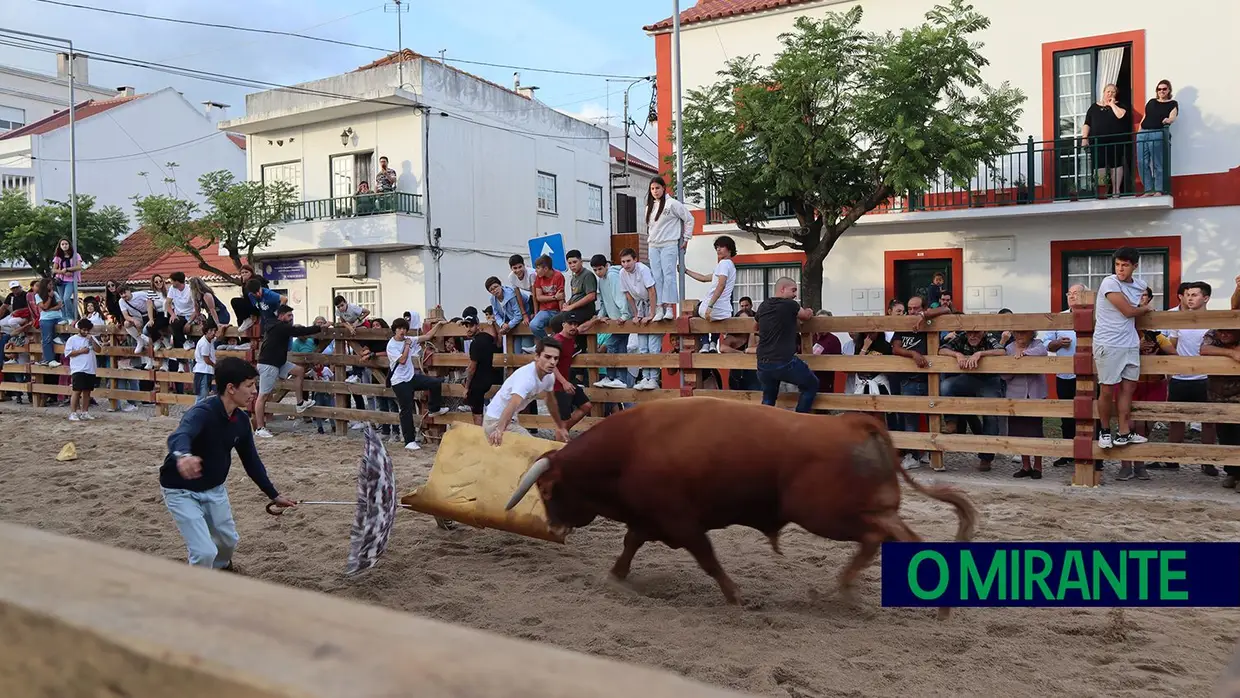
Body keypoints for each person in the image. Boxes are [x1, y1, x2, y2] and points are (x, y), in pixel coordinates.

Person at [160, 357, 298, 570]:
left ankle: (222, 571)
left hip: (214, 489)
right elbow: (179, 436)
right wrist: (184, 455)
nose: (255, 391)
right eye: (250, 385)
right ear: (231, 388)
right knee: (204, 552)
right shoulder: (202, 413)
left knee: (228, 542)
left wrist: (273, 494)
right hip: (180, 490)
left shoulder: (241, 421)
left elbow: (251, 461)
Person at [1093, 247, 1152, 448]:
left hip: (1129, 342)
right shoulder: (1109, 282)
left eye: (1125, 265)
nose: (1120, 269)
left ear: (1135, 266)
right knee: (1107, 388)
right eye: (1117, 264)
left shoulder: (1140, 284)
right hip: (1108, 342)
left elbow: (1133, 307)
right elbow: (1127, 311)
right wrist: (1146, 309)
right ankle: (1104, 431)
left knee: (1128, 388)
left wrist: (1141, 308)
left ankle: (1124, 431)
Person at [482, 338, 569, 446]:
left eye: (556, 358)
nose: (552, 362)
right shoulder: (527, 378)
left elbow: (551, 402)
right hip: (496, 421)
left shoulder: (549, 377)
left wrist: (560, 426)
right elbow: (512, 404)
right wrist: (499, 430)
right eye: (547, 357)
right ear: (537, 356)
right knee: (534, 448)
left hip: (510, 420)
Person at [253, 305, 319, 438]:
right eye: (289, 316)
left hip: (279, 362)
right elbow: (299, 331)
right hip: (268, 364)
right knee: (263, 396)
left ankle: (300, 403)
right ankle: (260, 428)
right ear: (281, 315)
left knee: (299, 371)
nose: (291, 318)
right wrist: (319, 327)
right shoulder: (280, 326)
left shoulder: (275, 325)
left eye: (292, 316)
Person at [386, 316, 450, 451]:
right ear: (394, 330)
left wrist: (438, 324)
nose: (402, 331)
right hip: (399, 381)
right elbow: (402, 360)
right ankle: (409, 441)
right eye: (399, 329)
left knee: (435, 383)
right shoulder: (392, 345)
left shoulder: (409, 339)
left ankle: (434, 409)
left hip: (410, 377)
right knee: (406, 409)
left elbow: (427, 336)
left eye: (404, 328)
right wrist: (408, 345)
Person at [755, 277, 817, 413]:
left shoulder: (763, 305)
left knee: (768, 399)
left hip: (762, 363)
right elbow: (805, 316)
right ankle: (800, 419)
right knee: (811, 384)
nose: (795, 294)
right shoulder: (790, 305)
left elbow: (756, 325)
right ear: (782, 289)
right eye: (793, 290)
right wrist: (810, 311)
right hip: (783, 362)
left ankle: (762, 427)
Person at [644, 175, 694, 321]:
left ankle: (669, 308)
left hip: (669, 244)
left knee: (669, 275)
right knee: (656, 277)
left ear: (663, 188)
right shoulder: (650, 207)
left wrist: (686, 238)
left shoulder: (672, 204)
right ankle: (659, 307)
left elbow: (689, 218)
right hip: (653, 245)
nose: (655, 191)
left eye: (657, 188)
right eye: (652, 189)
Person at [1004, 330, 1049, 479]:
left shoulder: (1037, 344)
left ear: (1031, 334)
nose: (1020, 336)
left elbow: (1043, 351)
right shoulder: (1009, 348)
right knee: (1019, 431)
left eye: (1024, 333)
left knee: (1035, 431)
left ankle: (1038, 466)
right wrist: (1015, 366)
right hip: (1015, 395)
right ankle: (1025, 465)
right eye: (1017, 333)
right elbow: (1005, 375)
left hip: (1035, 394)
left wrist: (1024, 355)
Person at [1201, 327, 1240, 490]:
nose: (1223, 334)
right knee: (1225, 434)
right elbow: (1204, 349)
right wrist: (1230, 353)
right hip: (1217, 396)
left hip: (1238, 396)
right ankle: (1232, 473)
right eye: (1221, 332)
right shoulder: (1212, 334)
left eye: (1228, 332)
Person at [685, 235, 737, 353]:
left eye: (722, 247)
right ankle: (713, 343)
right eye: (717, 247)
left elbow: (721, 284)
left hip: (715, 306)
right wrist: (686, 271)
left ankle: (705, 344)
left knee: (698, 310)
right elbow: (704, 278)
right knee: (713, 320)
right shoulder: (730, 266)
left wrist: (710, 305)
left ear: (729, 249)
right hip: (725, 310)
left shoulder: (724, 264)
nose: (718, 249)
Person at [618, 247, 661, 390]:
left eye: (628, 261)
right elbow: (628, 295)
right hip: (640, 304)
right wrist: (636, 314)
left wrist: (652, 313)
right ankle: (645, 377)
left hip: (653, 302)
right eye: (623, 261)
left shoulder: (643, 269)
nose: (626, 264)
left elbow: (652, 291)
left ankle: (654, 378)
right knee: (642, 345)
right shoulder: (622, 273)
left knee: (653, 345)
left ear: (635, 260)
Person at [589, 253, 632, 390]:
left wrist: (625, 315)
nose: (598, 272)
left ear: (606, 266)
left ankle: (614, 377)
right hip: (614, 319)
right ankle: (618, 378)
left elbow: (620, 297)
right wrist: (601, 315)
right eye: (595, 270)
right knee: (620, 349)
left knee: (611, 344)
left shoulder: (613, 276)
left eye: (600, 269)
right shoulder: (601, 280)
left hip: (623, 319)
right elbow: (603, 301)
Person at [1082, 83, 1130, 196]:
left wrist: (1112, 104)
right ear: (1103, 93)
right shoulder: (1093, 107)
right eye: (1108, 91)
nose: (1110, 93)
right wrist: (1084, 138)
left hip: (1115, 141)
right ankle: (1102, 191)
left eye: (1113, 92)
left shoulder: (1120, 105)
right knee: (1099, 166)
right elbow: (1087, 124)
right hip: (1098, 142)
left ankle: (1116, 191)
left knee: (1116, 165)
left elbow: (1121, 115)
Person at [1137, 79, 1178, 196]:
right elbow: (1145, 117)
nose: (1161, 91)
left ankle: (1159, 189)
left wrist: (1168, 120)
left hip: (1157, 132)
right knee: (1141, 162)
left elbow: (1173, 116)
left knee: (1157, 162)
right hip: (1143, 133)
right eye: (1159, 89)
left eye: (1164, 89)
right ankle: (1148, 189)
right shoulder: (1151, 102)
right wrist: (1139, 131)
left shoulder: (1172, 103)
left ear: (1169, 90)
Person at [463, 312, 501, 426]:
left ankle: (478, 435)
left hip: (477, 382)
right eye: (467, 326)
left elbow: (472, 367)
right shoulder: (486, 337)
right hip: (490, 377)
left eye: (471, 326)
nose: (468, 329)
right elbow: (497, 341)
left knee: (477, 412)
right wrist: (493, 325)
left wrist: (466, 387)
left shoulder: (475, 344)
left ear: (477, 326)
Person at [64, 317, 101, 421]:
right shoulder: (72, 339)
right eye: (84, 330)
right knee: (76, 391)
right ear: (79, 329)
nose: (85, 332)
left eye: (87, 330)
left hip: (90, 368)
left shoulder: (91, 338)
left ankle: (85, 412)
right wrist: (81, 351)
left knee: (87, 392)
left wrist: (91, 340)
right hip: (78, 368)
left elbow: (99, 350)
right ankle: (73, 413)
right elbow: (68, 353)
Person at [530, 255, 565, 341]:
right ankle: (547, 343)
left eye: (538, 268)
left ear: (545, 269)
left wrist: (562, 314)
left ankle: (552, 343)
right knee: (533, 325)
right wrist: (554, 297)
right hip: (544, 310)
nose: (536, 270)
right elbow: (539, 297)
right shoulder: (539, 277)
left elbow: (561, 296)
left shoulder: (558, 276)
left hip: (556, 310)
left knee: (559, 326)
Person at [166, 271, 200, 350]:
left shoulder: (190, 290)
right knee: (174, 325)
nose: (171, 283)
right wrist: (172, 314)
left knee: (194, 333)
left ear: (177, 281)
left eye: (172, 281)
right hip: (179, 316)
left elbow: (197, 308)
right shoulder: (172, 289)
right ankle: (184, 345)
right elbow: (167, 303)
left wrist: (189, 322)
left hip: (191, 315)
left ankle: (196, 357)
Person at [51, 238, 83, 321]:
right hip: (60, 280)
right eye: (62, 244)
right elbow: (54, 269)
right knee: (61, 300)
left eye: (66, 244)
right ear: (60, 246)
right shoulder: (58, 257)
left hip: (71, 280)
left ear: (69, 245)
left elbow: (79, 267)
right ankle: (64, 317)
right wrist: (63, 272)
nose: (64, 246)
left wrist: (68, 269)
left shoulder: (75, 255)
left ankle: (70, 316)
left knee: (66, 298)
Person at [193, 320, 219, 402]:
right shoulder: (204, 343)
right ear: (206, 331)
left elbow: (218, 337)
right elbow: (206, 359)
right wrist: (215, 365)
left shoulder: (209, 340)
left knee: (203, 394)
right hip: (203, 371)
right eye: (211, 330)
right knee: (202, 395)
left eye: (214, 330)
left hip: (206, 370)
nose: (213, 333)